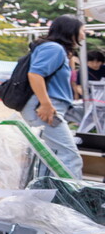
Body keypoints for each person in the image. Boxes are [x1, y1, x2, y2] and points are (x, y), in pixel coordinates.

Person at [22, 15, 85, 178]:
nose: (84, 34)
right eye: (82, 30)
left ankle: (47, 198)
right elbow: (35, 74)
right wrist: (46, 104)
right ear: (71, 31)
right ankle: (72, 200)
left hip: (48, 106)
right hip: (45, 108)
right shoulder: (53, 48)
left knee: (50, 156)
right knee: (69, 156)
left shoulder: (55, 49)